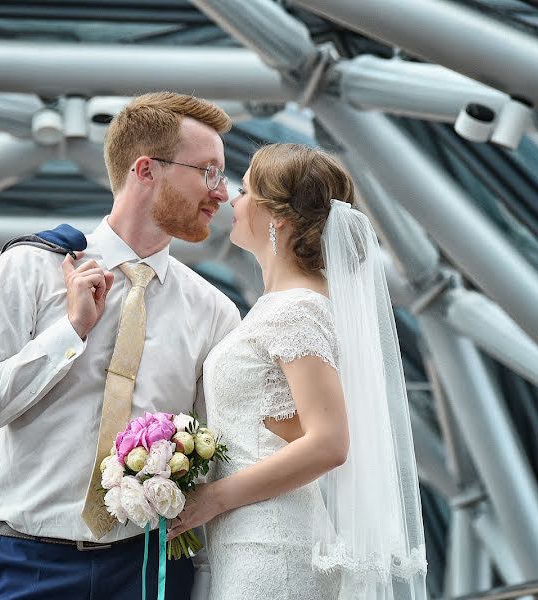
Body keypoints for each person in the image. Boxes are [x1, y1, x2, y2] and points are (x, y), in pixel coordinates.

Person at [0, 92, 241, 600]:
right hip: (28, 567)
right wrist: (71, 332)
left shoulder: (215, 311)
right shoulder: (30, 268)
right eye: (208, 172)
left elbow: (215, 461)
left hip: (151, 570)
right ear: (146, 170)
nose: (223, 193)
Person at [167, 144, 428, 600]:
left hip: (271, 546)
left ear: (278, 219)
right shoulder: (288, 308)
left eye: (246, 190)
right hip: (254, 539)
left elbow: (329, 442)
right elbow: (292, 421)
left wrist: (212, 498)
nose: (232, 199)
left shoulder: (297, 310)